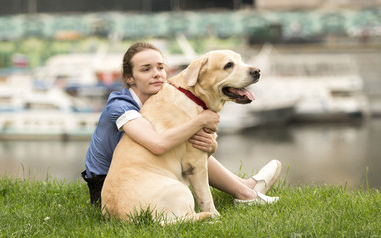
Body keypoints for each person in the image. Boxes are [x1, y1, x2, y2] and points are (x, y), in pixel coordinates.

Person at [82, 42, 281, 206]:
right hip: (112, 187)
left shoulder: (162, 102)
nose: (157, 74)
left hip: (143, 178)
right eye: (146, 69)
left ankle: (245, 187)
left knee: (189, 143)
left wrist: (211, 145)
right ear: (129, 78)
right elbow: (158, 144)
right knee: (182, 142)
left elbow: (183, 149)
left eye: (161, 67)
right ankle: (245, 192)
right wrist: (201, 120)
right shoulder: (121, 106)